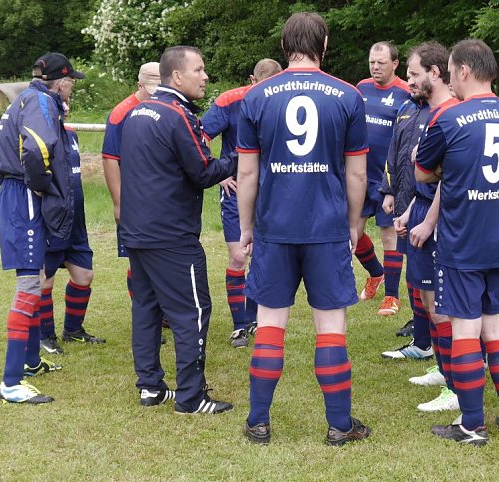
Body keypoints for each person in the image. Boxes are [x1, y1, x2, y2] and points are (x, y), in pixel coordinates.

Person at [236, 12, 371, 446]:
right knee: (330, 326)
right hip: (326, 225)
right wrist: (354, 224)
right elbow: (357, 176)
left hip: (274, 227)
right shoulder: (348, 96)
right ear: (324, 45)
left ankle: (258, 422)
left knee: (270, 323)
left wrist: (245, 228)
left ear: (284, 45)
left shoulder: (257, 96)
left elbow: (248, 173)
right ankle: (340, 425)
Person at [415, 39, 499, 445]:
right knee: (494, 327)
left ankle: (471, 423)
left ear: (462, 71)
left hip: (463, 239)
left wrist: (448, 168)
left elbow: (423, 172)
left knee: (465, 330)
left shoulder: (450, 118)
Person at [119, 46, 235, 414]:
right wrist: (243, 157)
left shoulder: (137, 112)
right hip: (171, 235)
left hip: (137, 230)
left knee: (147, 310)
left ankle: (150, 386)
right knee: (193, 312)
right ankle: (191, 397)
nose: (205, 77)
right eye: (199, 70)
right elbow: (203, 172)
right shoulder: (176, 115)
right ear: (177, 77)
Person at [0, 52, 84, 403]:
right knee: (28, 283)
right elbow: (37, 149)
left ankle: (31, 362)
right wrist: (35, 184)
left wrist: (6, 177)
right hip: (24, 196)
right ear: (62, 81)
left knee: (36, 277)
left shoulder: (24, 97)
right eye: (72, 81)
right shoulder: (42, 101)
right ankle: (11, 383)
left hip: (18, 192)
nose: (72, 88)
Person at [379, 41, 462, 412]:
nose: (408, 81)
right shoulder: (423, 112)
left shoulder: (450, 114)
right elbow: (426, 177)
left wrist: (427, 220)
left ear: (435, 72)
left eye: (413, 74)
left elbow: (450, 178)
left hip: (442, 222)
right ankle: (444, 370)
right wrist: (410, 207)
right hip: (422, 210)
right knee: (429, 301)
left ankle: (458, 385)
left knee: (445, 304)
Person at [200, 58, 282, 348]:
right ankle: (239, 327)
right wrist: (218, 173)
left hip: (272, 190)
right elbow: (200, 135)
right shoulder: (229, 101)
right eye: (262, 86)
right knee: (238, 256)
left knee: (264, 255)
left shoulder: (285, 98)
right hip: (236, 190)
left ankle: (254, 318)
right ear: (251, 81)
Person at [37, 92, 105, 355]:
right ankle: (45, 336)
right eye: (60, 105)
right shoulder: (39, 138)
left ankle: (73, 330)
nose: (65, 108)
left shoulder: (71, 134)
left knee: (84, 275)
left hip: (76, 221)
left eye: (66, 104)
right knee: (45, 280)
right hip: (52, 220)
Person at [355, 42, 412, 317]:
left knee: (389, 235)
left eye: (381, 62)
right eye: (372, 62)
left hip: (389, 179)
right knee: (352, 235)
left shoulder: (405, 93)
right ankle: (375, 274)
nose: (375, 67)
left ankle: (391, 296)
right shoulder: (361, 88)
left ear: (395, 64)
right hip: (359, 176)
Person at [101, 62, 161, 304]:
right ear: (139, 85)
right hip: (134, 199)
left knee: (161, 257)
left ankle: (161, 310)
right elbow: (110, 158)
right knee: (137, 259)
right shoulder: (121, 113)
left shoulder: (165, 106)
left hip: (160, 197)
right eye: (152, 89)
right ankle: (144, 311)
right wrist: (119, 202)